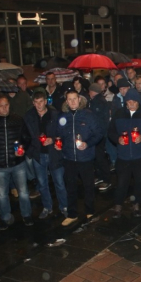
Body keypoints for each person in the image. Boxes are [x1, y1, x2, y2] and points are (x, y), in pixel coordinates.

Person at [108, 89, 141, 218]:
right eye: (129, 101)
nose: (131, 104)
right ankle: (118, 205)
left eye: (134, 101)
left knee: (140, 182)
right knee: (121, 182)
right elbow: (110, 132)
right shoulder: (119, 114)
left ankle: (136, 204)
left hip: (140, 155)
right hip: (123, 155)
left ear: (138, 102)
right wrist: (117, 139)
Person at [56, 90, 103, 226]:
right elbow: (59, 135)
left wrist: (87, 144)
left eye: (74, 99)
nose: (72, 102)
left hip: (85, 158)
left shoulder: (88, 115)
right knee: (70, 187)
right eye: (69, 99)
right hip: (69, 157)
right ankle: (72, 214)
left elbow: (99, 133)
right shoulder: (63, 117)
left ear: (79, 99)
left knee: (88, 186)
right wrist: (59, 144)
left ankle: (90, 211)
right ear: (66, 101)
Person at [0, 94, 34, 229]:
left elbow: (27, 137)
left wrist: (22, 148)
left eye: (6, 105)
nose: (4, 108)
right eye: (1, 106)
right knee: (2, 194)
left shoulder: (17, 119)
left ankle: (26, 214)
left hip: (17, 162)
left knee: (24, 191)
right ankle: (5, 217)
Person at [24, 91, 68, 219]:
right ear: (33, 103)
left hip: (54, 153)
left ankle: (64, 206)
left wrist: (53, 139)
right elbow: (25, 135)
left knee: (59, 182)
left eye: (41, 101)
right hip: (38, 155)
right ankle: (47, 207)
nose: (38, 105)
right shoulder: (29, 116)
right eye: (36, 102)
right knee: (42, 183)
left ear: (46, 101)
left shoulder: (55, 114)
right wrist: (30, 150)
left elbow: (63, 133)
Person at [88, 83, 112, 192]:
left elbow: (96, 119)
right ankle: (101, 176)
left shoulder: (96, 102)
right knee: (98, 156)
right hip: (101, 133)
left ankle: (106, 179)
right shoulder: (101, 100)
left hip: (98, 134)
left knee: (100, 157)